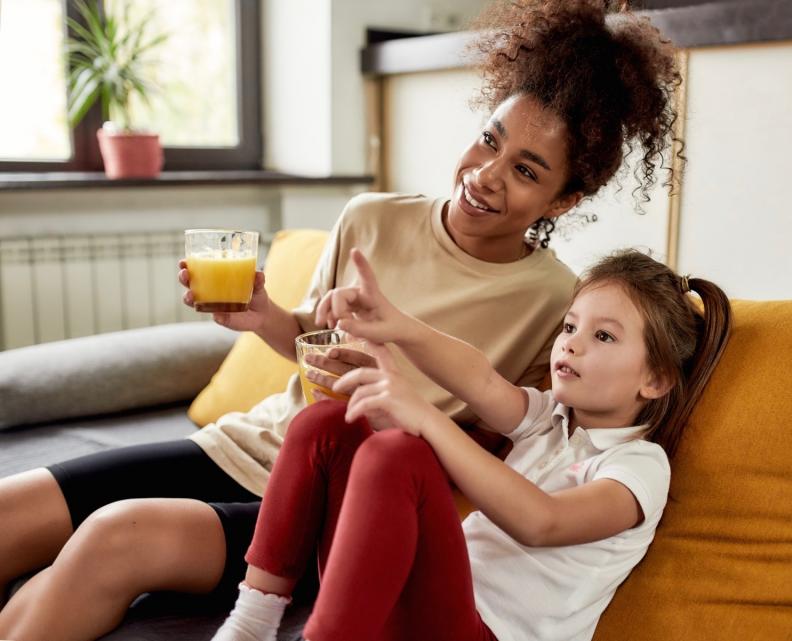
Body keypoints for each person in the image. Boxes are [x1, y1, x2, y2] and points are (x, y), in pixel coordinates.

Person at [0, 1, 683, 640]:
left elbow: (496, 459)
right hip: (262, 443)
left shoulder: (557, 305)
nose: (486, 174)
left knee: (111, 538)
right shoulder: (372, 216)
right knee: (12, 511)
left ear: (564, 199)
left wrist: (397, 410)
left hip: (338, 499)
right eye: (488, 140)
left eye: (527, 171)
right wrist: (264, 316)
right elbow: (313, 341)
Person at [211, 245, 732, 641]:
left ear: (657, 380)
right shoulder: (549, 418)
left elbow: (542, 521)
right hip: (409, 604)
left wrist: (421, 416)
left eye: (604, 336)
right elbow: (480, 381)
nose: (570, 341)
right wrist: (396, 326)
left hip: (481, 633)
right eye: (571, 326)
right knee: (328, 421)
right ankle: (251, 624)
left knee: (399, 453)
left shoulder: (638, 465)